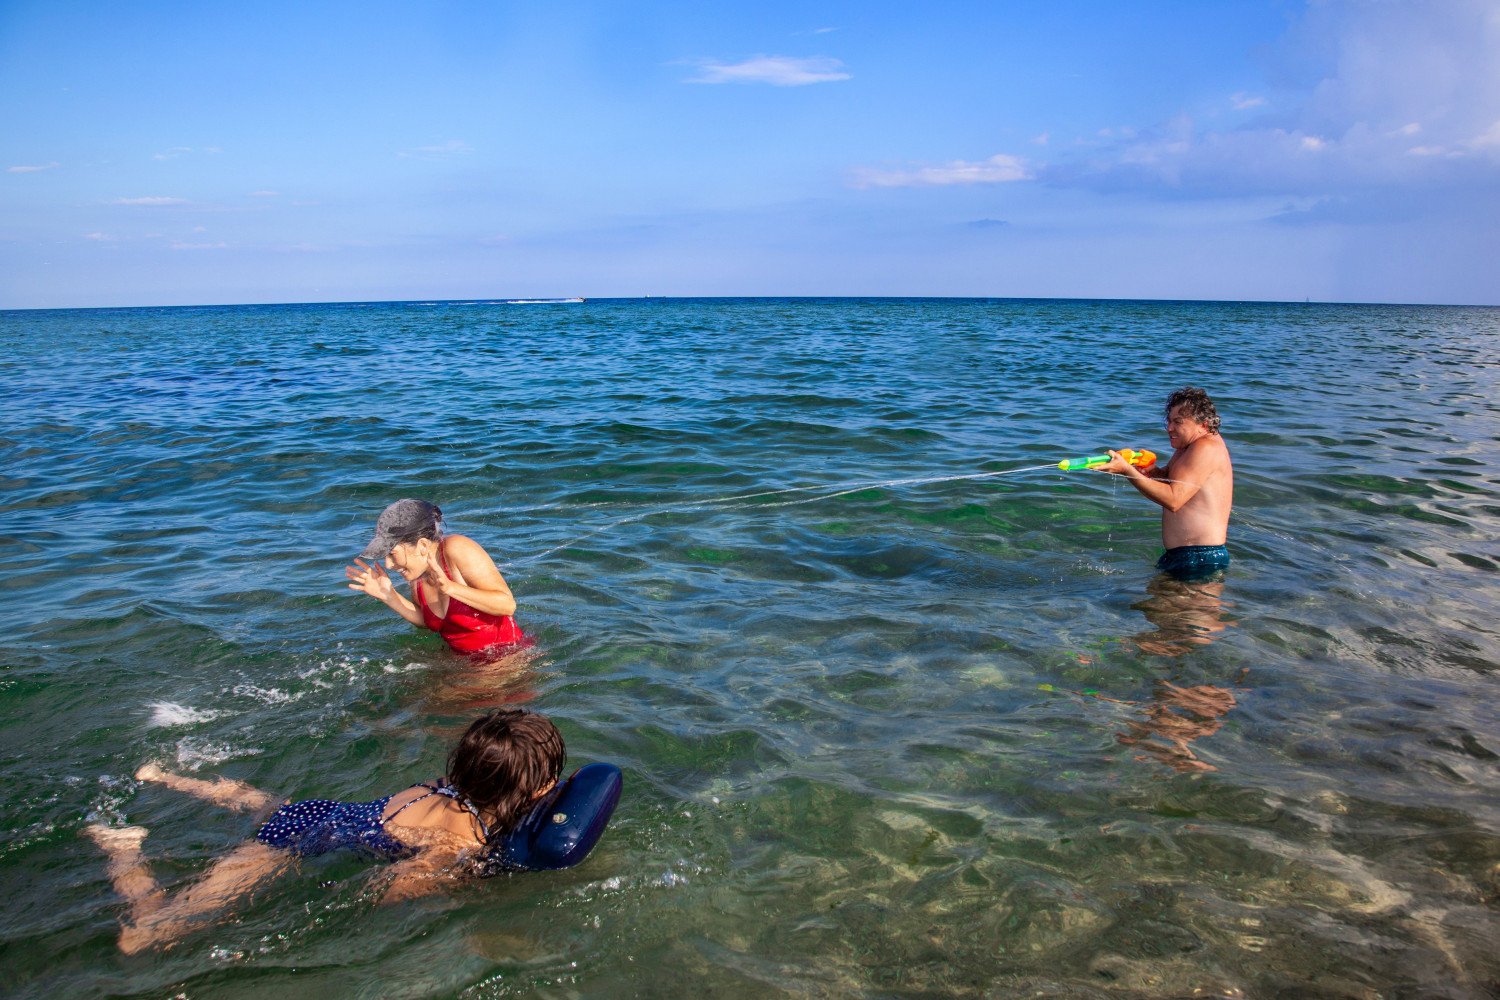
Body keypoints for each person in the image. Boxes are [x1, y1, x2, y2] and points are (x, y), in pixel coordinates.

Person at [84, 709, 565, 954]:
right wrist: (463, 882)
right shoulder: (459, 839)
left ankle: (166, 777)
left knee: (267, 806)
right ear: (535, 787)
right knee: (151, 932)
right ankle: (122, 851)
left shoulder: (444, 787)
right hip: (296, 842)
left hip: (324, 813)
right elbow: (391, 892)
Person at [345, 499, 527, 654]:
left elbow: (507, 604)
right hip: (460, 664)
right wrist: (388, 595)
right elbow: (427, 621)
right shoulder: (417, 574)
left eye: (393, 554)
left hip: (504, 661)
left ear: (423, 545)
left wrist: (451, 588)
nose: (388, 565)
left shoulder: (457, 549)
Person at [1100, 387, 1234, 580]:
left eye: (1178, 422)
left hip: (1200, 558)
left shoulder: (1206, 447)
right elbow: (1171, 481)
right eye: (1169, 420)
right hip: (1185, 556)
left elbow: (1174, 499)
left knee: (1165, 610)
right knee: (1152, 609)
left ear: (1203, 424)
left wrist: (1127, 471)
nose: (1169, 428)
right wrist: (1149, 471)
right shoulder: (1188, 445)